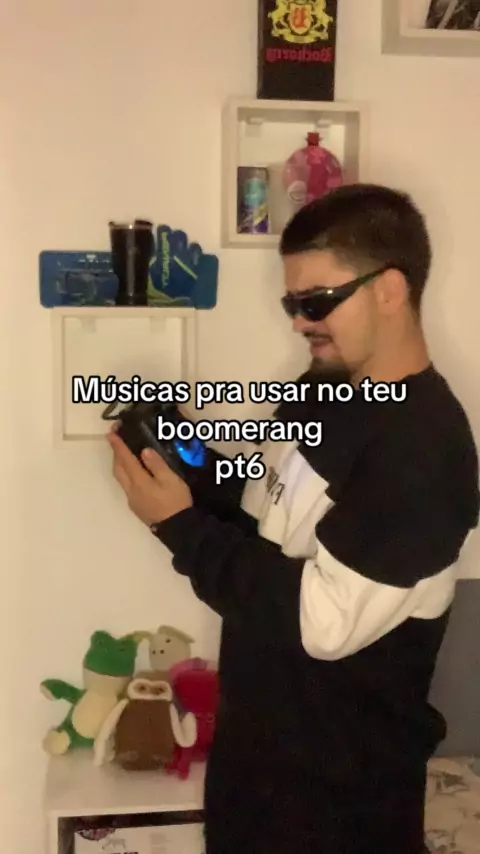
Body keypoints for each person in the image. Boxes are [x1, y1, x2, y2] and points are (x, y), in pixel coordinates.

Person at [108, 183, 479, 854]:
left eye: (316, 302)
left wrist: (178, 527)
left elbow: (321, 625)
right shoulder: (324, 388)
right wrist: (182, 465)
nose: (299, 323)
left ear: (390, 290)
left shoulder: (424, 449)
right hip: (258, 777)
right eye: (292, 304)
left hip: (340, 808)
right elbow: (266, 508)